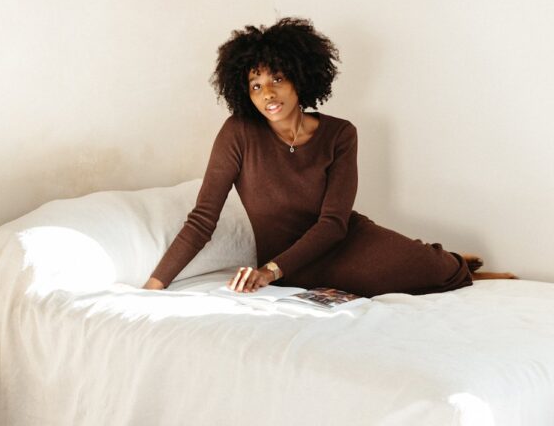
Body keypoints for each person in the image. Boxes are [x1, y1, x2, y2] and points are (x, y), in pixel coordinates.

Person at [143, 18, 516, 296]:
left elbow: (334, 223)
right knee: (395, 282)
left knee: (430, 270)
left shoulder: (340, 133)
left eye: (277, 79)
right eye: (256, 86)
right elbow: (202, 219)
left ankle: (454, 264)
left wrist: (270, 271)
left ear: (300, 79)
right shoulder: (238, 132)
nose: (267, 94)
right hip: (288, 262)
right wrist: (155, 285)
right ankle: (452, 265)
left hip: (339, 238)